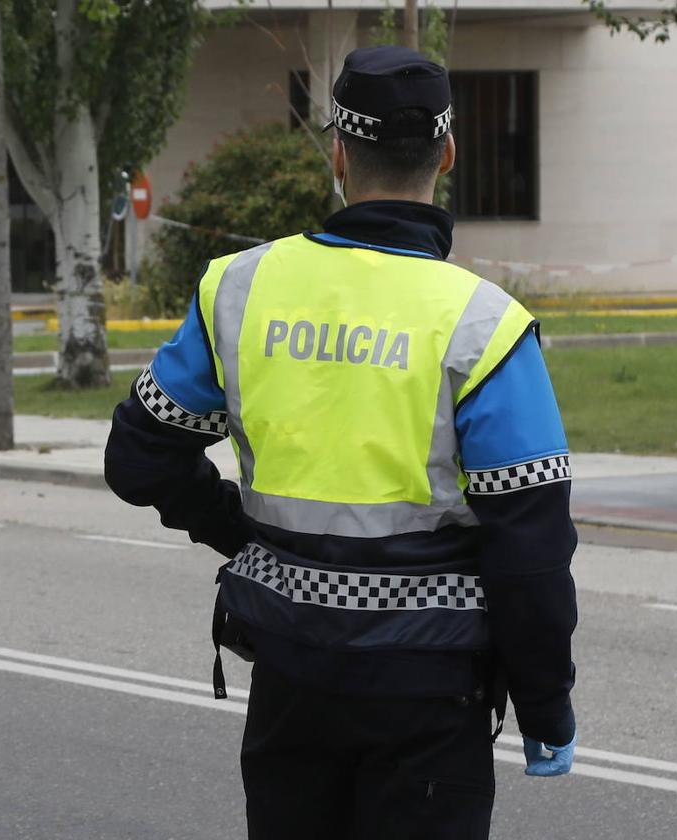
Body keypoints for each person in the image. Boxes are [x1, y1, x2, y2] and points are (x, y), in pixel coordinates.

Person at [104, 45, 578, 840]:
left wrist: (244, 530)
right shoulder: (485, 326)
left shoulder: (240, 288)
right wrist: (545, 707)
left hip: (291, 678)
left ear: (337, 156)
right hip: (429, 696)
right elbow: (529, 547)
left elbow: (139, 457)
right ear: (448, 153)